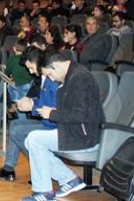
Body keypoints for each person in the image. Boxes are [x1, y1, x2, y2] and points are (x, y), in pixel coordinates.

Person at [20, 51, 104, 201]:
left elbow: (81, 115)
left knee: (34, 139)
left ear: (57, 65)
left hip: (84, 136)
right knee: (30, 140)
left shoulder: (80, 78)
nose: (51, 78)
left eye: (50, 74)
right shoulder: (71, 75)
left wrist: (52, 114)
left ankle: (43, 192)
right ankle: (69, 179)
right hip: (74, 131)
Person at [0, 47, 58, 182]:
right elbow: (41, 101)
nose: (30, 72)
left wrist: (32, 105)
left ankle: (43, 166)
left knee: (17, 129)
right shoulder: (42, 77)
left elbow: (52, 108)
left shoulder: (52, 79)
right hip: (46, 120)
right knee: (15, 124)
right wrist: (29, 101)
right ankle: (8, 169)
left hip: (53, 123)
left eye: (31, 68)